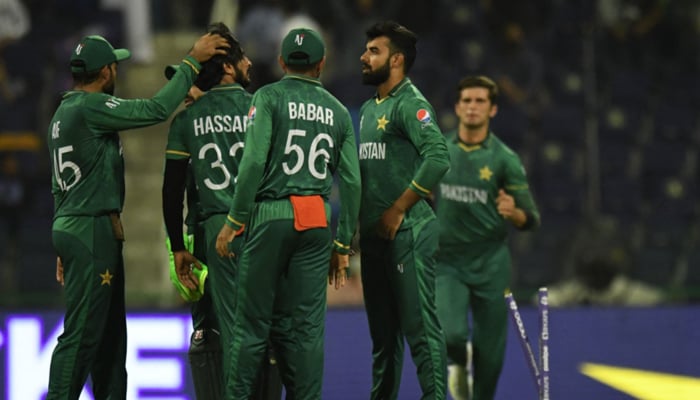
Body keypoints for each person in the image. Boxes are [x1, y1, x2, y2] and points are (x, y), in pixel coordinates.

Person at [46, 32, 229, 399]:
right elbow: (156, 110)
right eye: (115, 64)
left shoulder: (63, 112)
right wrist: (191, 61)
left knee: (111, 337)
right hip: (91, 229)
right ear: (107, 71)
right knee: (82, 334)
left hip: (77, 224)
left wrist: (62, 238)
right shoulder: (90, 107)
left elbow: (58, 184)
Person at [214, 27, 361, 398]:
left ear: (281, 63)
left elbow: (251, 164)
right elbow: (354, 184)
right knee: (307, 330)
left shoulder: (268, 96)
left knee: (250, 326)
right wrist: (342, 244)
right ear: (322, 64)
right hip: (316, 220)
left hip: (269, 216)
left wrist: (234, 220)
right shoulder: (339, 111)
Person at [162, 22, 282, 400]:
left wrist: (178, 246)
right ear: (229, 68)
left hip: (215, 231)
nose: (188, 89)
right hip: (265, 224)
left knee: (230, 334)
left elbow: (171, 189)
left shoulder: (186, 121)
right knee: (268, 328)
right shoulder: (260, 109)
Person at [358, 20, 450, 400]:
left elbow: (438, 157)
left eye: (373, 51)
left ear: (396, 59)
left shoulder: (411, 104)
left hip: (408, 232)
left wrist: (398, 209)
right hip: (376, 239)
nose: (363, 57)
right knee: (383, 340)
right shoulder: (367, 108)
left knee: (420, 330)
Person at [434, 75, 541, 400]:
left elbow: (530, 219)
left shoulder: (505, 159)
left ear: (492, 110)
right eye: (466, 100)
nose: (472, 107)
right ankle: (456, 364)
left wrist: (514, 212)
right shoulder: (438, 151)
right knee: (450, 335)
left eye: (480, 101)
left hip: (490, 263)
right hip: (447, 263)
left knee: (490, 354)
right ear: (457, 106)